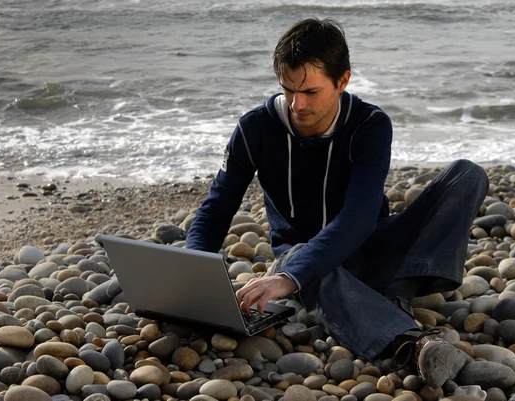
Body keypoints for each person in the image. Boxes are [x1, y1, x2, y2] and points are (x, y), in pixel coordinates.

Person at [185, 18, 489, 388]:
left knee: (467, 174)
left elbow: (359, 218)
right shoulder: (254, 129)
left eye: (311, 92)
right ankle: (408, 342)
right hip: (303, 260)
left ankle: (397, 291)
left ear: (342, 81)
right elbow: (217, 208)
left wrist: (287, 278)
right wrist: (192, 274)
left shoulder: (370, 125)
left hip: (367, 250)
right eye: (287, 89)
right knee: (309, 260)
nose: (297, 104)